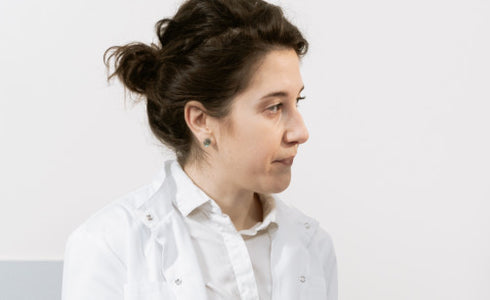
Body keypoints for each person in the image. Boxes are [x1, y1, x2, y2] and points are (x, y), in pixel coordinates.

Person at [61, 0, 337, 299]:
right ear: (201, 120)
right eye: (274, 107)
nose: (301, 132)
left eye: (298, 102)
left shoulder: (313, 247)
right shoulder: (110, 244)